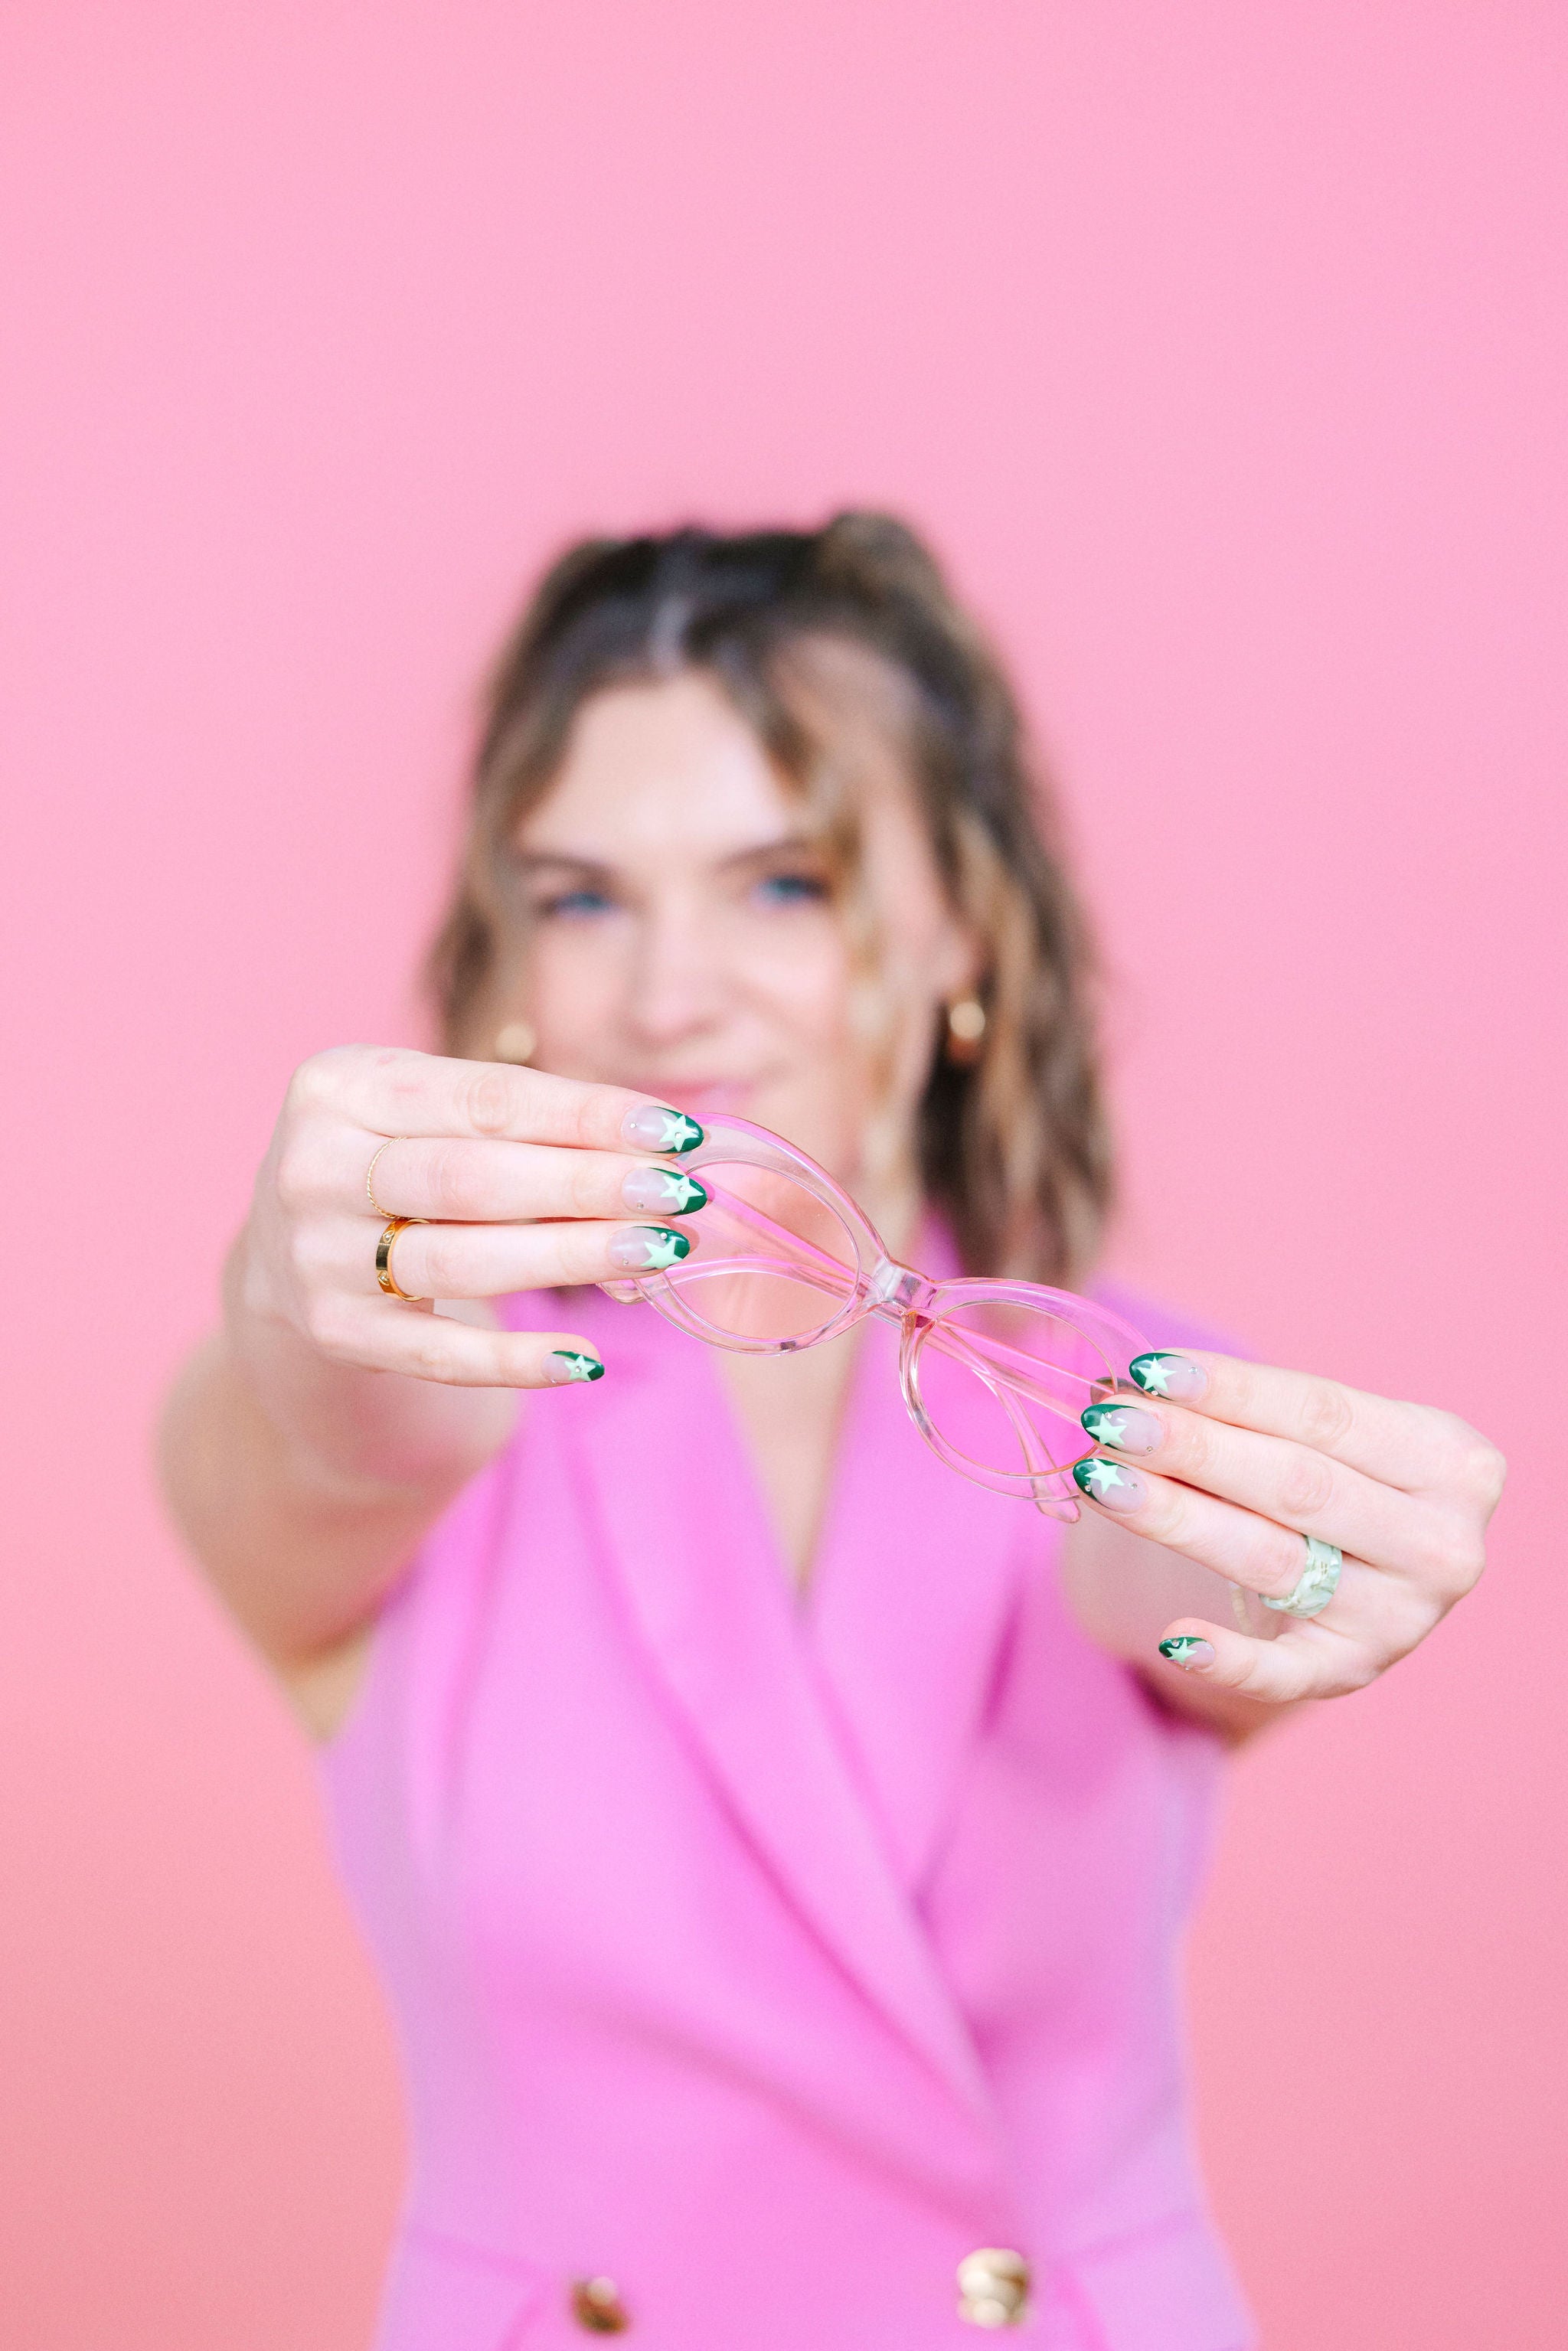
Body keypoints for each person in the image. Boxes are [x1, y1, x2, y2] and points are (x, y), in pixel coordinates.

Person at [160, 516, 1504, 2351]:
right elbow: (310, 1432)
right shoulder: (440, 1399)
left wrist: (1312, 1550)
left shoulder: (1097, 1389)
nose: (666, 993)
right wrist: (294, 1275)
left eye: (782, 884)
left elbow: (1143, 1555)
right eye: (581, 898)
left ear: (961, 924)